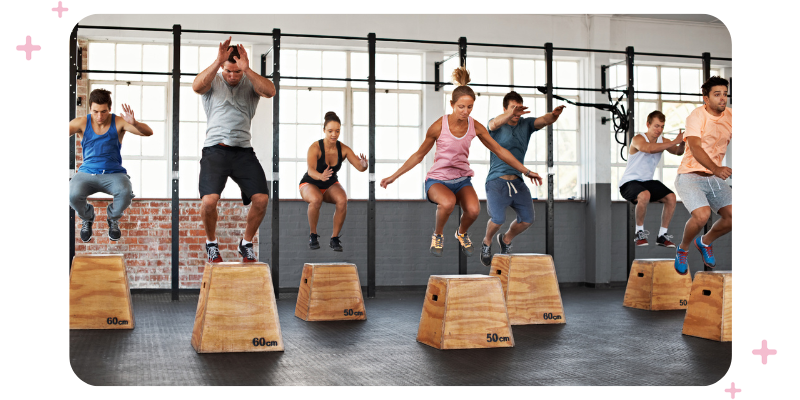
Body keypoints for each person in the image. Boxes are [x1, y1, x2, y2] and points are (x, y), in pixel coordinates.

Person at [380, 67, 541, 257]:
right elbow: (418, 155)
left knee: (473, 210)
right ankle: (438, 235)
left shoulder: (475, 126)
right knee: (447, 203)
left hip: (461, 180)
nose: (465, 111)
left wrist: (527, 171)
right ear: (452, 104)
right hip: (438, 180)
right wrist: (393, 177)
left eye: (470, 107)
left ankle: (461, 233)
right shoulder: (439, 126)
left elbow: (500, 150)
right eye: (461, 107)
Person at [192, 37, 276, 263]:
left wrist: (247, 69)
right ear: (222, 67)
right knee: (209, 202)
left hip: (243, 151)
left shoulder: (249, 82)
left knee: (261, 199)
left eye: (236, 72)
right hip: (215, 151)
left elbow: (270, 91)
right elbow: (196, 86)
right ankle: (211, 244)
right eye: (228, 71)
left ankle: (246, 243)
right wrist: (217, 61)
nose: (232, 76)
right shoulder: (213, 81)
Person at [479, 91, 564, 266]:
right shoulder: (495, 125)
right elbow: (494, 123)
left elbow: (544, 119)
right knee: (498, 219)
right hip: (496, 181)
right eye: (513, 109)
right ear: (505, 109)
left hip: (517, 181)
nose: (516, 113)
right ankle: (487, 241)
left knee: (527, 219)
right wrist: (510, 113)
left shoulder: (525, 124)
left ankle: (506, 240)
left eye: (519, 109)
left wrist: (554, 115)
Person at [68, 88, 153, 242]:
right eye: (95, 112)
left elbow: (148, 132)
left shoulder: (118, 122)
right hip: (87, 173)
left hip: (114, 174)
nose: (99, 116)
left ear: (110, 109)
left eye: (104, 111)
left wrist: (135, 123)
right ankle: (87, 217)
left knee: (125, 192)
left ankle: (113, 218)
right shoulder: (81, 122)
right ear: (90, 109)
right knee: (71, 195)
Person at [673, 76, 732, 275]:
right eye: (717, 95)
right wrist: (716, 169)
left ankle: (704, 242)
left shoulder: (731, 116)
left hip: (714, 178)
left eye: (725, 94)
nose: (722, 99)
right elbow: (696, 148)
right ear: (705, 98)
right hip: (690, 175)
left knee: (734, 217)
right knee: (702, 215)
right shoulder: (696, 117)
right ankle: (683, 249)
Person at [299, 111, 368, 251]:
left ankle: (334, 238)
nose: (334, 134)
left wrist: (364, 165)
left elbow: (360, 167)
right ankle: (313, 234)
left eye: (337, 131)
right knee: (316, 199)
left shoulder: (343, 149)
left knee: (342, 199)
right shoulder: (315, 147)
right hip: (310, 182)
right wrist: (320, 176)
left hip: (329, 184)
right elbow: (311, 170)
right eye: (330, 131)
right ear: (324, 130)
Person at [618, 110, 685, 250]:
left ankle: (662, 235)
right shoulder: (638, 139)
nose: (659, 130)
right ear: (648, 124)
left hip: (647, 181)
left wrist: (683, 141)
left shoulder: (663, 141)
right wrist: (673, 141)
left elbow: (678, 152)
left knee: (671, 197)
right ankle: (639, 232)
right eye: (656, 126)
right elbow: (648, 149)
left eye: (662, 126)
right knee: (645, 194)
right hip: (629, 183)